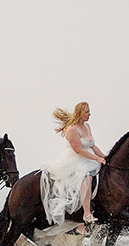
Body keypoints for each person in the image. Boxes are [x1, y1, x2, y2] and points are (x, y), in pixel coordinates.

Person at [40, 101, 106, 235]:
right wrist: (96, 159)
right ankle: (86, 213)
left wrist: (104, 157)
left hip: (89, 157)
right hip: (76, 159)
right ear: (80, 113)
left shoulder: (87, 126)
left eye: (89, 111)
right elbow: (78, 150)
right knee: (86, 175)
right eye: (87, 112)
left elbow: (93, 146)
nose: (89, 114)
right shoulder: (72, 129)